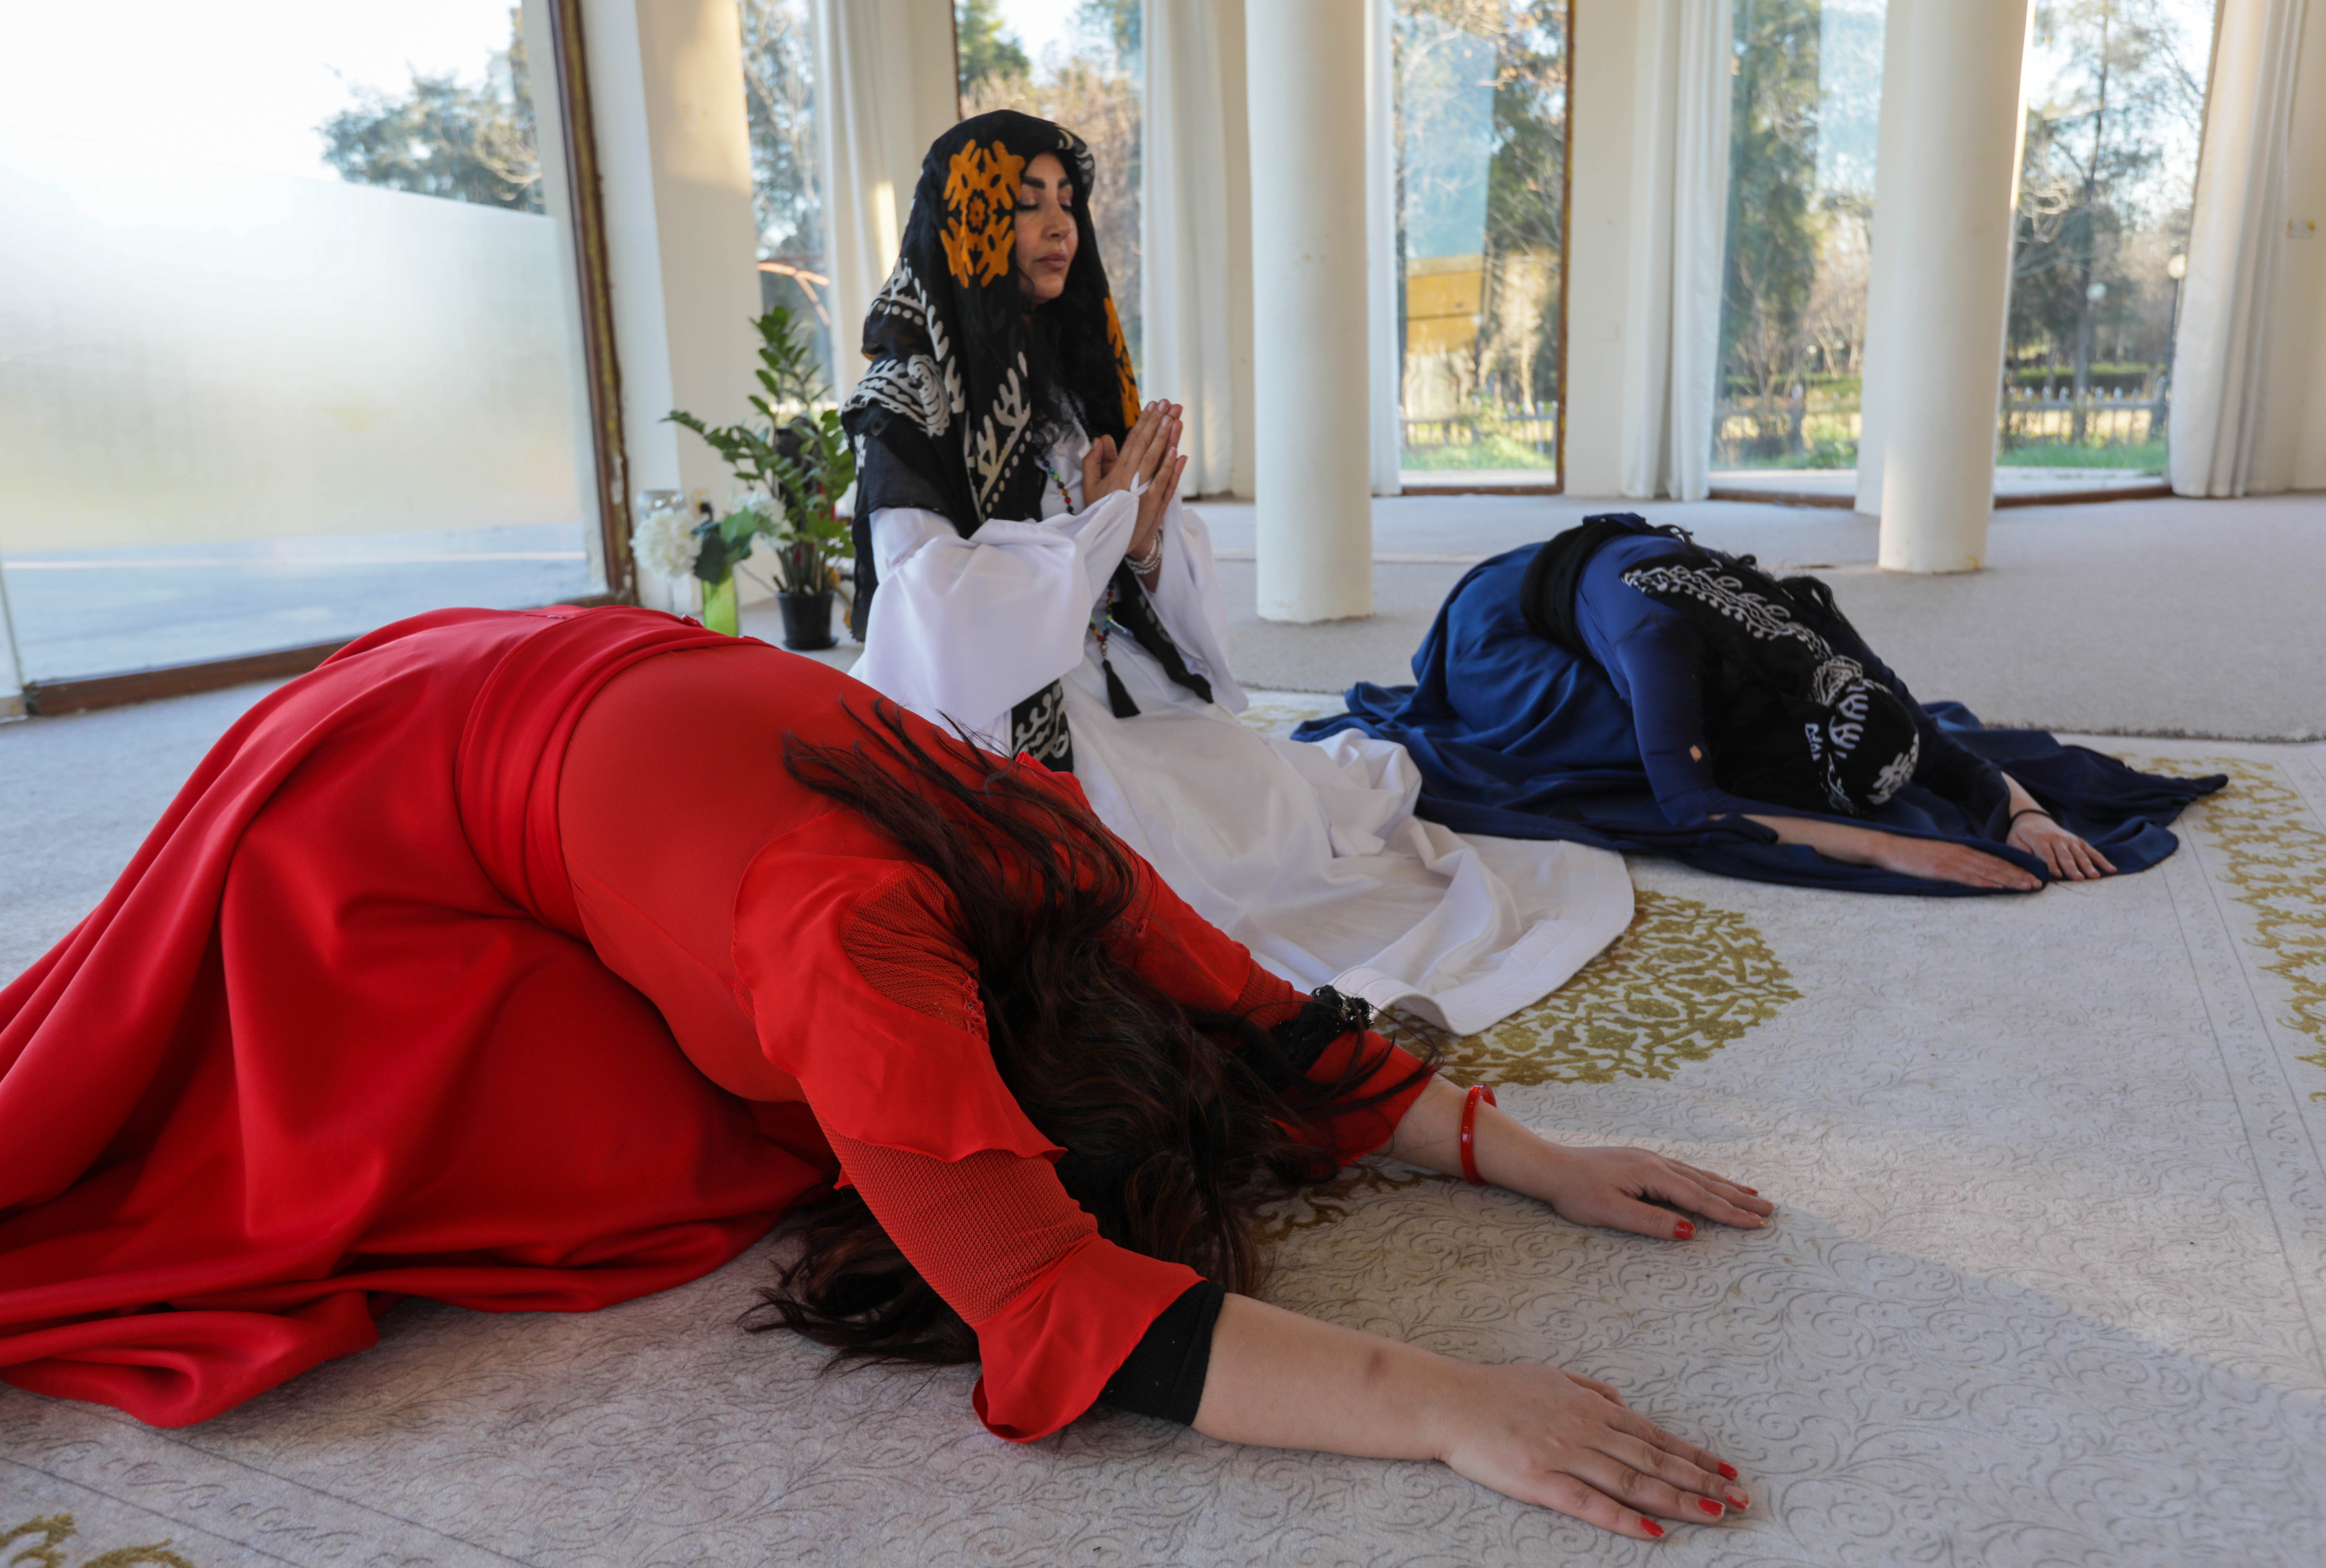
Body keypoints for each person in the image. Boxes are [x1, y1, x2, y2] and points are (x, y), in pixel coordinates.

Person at [0, 604, 1770, 1542]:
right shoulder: (853, 956)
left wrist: (1521, 1152)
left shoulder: (1051, 854)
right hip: (378, 783)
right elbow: (1060, 1314)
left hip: (571, 670)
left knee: (681, 1116)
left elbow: (1259, 1014)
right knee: (282, 1148)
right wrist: (1446, 1401)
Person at [841, 111, 1632, 1036]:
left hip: (1102, 669)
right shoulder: (906, 398)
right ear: (971, 222)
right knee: (1173, 856)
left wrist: (1137, 542)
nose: (1060, 226)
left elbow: (1124, 551)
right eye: (1028, 204)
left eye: (1067, 203)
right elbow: (926, 606)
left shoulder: (1061, 368)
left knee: (1265, 794)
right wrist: (1093, 532)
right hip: (1002, 712)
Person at [1299, 514, 2224, 895]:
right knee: (1628, 754)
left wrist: (2022, 813)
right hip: (1502, 622)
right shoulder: (1661, 652)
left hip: (1622, 592)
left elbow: (1936, 748)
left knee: (1703, 740)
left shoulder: (1827, 643)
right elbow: (1693, 808)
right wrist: (1891, 847)